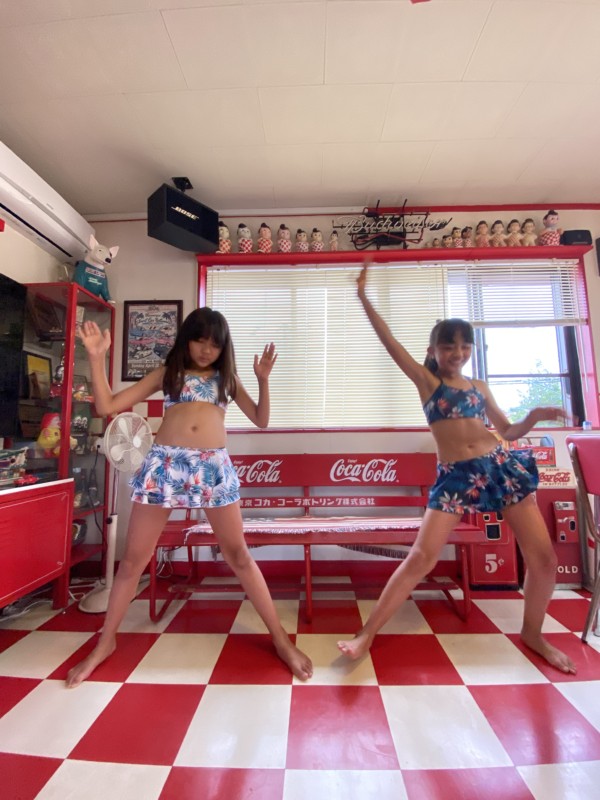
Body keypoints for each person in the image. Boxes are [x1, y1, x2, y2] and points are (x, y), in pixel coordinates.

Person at [338, 263, 576, 675]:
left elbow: (507, 430)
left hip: (499, 467)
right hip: (455, 476)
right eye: (449, 346)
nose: (458, 353)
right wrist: (363, 297)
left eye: (465, 346)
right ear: (433, 350)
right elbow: (390, 342)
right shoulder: (429, 383)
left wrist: (535, 415)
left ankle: (533, 634)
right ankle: (367, 634)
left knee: (544, 559)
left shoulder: (479, 387)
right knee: (421, 558)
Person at [66, 308, 313, 687]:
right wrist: (97, 358)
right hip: (165, 466)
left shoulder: (226, 379)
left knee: (239, 556)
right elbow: (108, 406)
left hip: (213, 468)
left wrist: (263, 381)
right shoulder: (169, 374)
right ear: (186, 339)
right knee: (132, 561)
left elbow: (261, 419)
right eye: (200, 340)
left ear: (223, 348)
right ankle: (105, 642)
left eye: (215, 344)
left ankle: (280, 639)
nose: (206, 349)